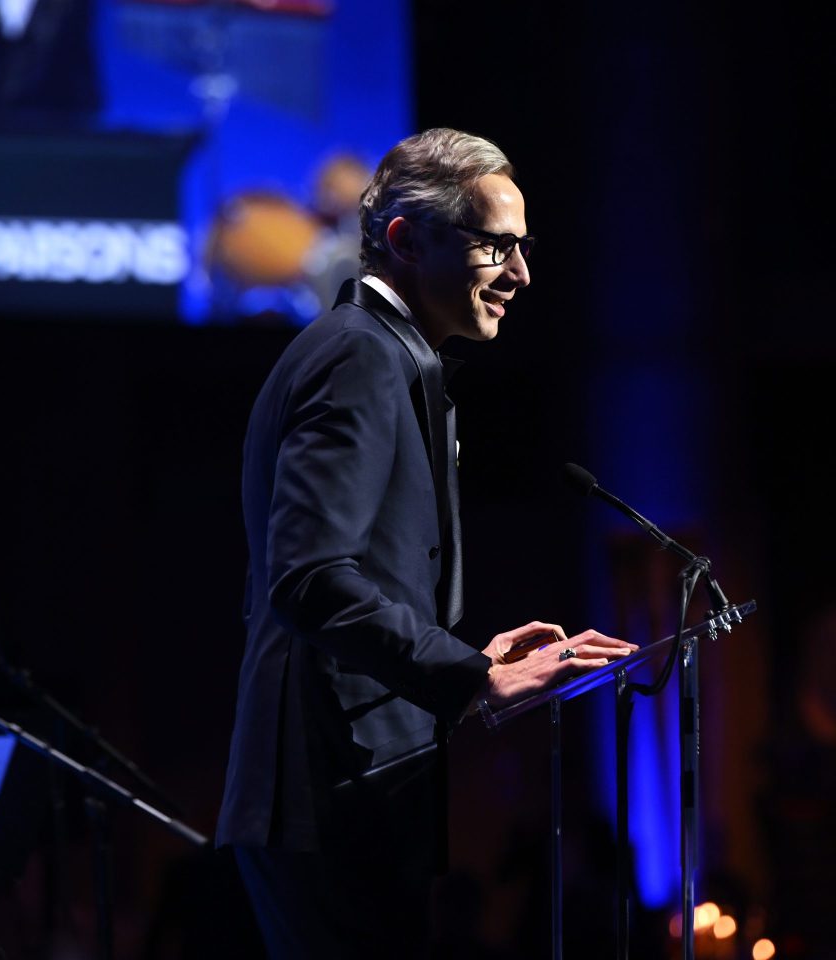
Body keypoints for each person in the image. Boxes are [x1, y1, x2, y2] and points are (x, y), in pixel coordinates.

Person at [216, 128, 633, 959]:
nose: (520, 275)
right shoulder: (358, 358)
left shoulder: (378, 353)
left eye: (524, 249)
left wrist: (462, 658)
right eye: (497, 248)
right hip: (326, 800)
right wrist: (471, 674)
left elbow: (341, 581)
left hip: (349, 794)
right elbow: (308, 580)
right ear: (407, 241)